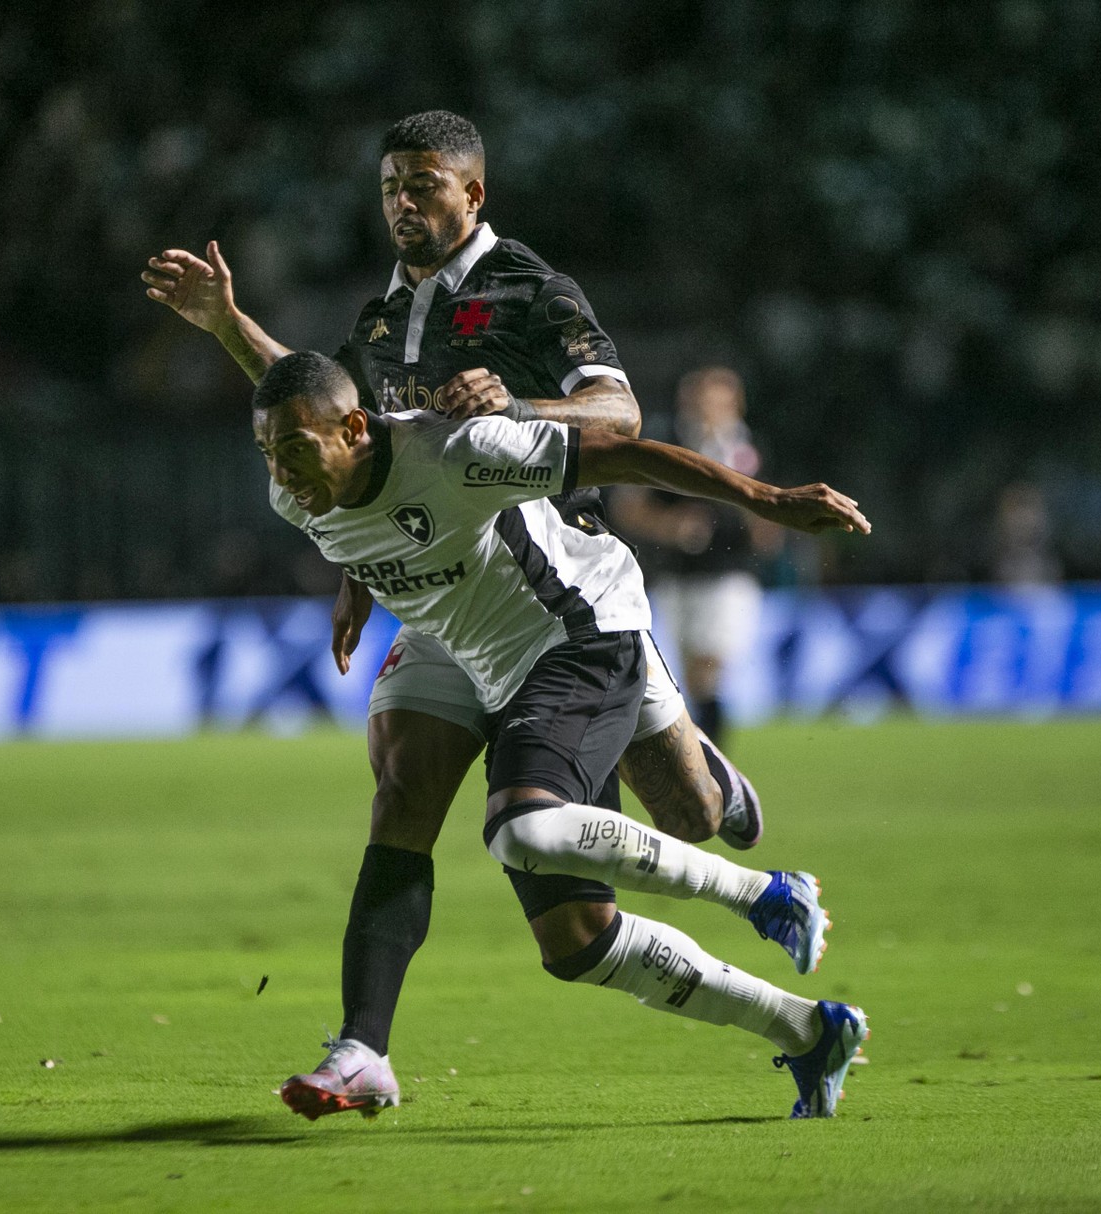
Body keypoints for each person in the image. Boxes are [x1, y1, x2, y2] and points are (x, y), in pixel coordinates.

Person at [143, 112, 768, 1090]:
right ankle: (363, 1047)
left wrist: (517, 406)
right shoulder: (380, 321)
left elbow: (621, 416)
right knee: (403, 788)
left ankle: (712, 780)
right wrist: (356, 572)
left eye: (425, 184)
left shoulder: (528, 289)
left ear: (472, 194)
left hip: (555, 580)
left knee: (668, 829)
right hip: (439, 593)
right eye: (391, 183)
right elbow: (336, 427)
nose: (403, 200)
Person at [249, 350, 871, 1120]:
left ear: (352, 428)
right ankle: (809, 1031)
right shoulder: (298, 489)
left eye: (296, 451)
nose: (281, 471)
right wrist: (223, 322)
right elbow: (300, 408)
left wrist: (766, 499)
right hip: (488, 666)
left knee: (525, 827)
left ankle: (765, 894)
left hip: (577, 636)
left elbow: (622, 452)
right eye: (268, 452)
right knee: (576, 942)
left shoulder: (452, 451)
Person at [608, 367, 775, 748]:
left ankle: (711, 750)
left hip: (731, 577)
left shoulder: (750, 451)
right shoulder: (664, 445)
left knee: (708, 664)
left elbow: (771, 523)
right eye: (702, 400)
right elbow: (628, 508)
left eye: (718, 402)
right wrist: (670, 527)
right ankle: (699, 750)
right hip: (676, 576)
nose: (708, 410)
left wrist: (758, 518)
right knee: (687, 677)